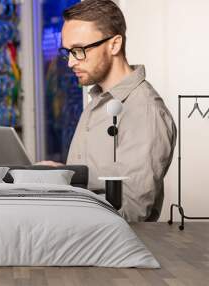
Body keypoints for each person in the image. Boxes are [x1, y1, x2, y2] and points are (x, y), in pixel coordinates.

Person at [37, 0, 177, 222]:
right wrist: (61, 175)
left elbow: (132, 213)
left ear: (114, 45)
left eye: (79, 50)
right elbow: (97, 184)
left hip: (110, 251)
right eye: (68, 52)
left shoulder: (143, 111)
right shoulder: (98, 102)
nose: (71, 62)